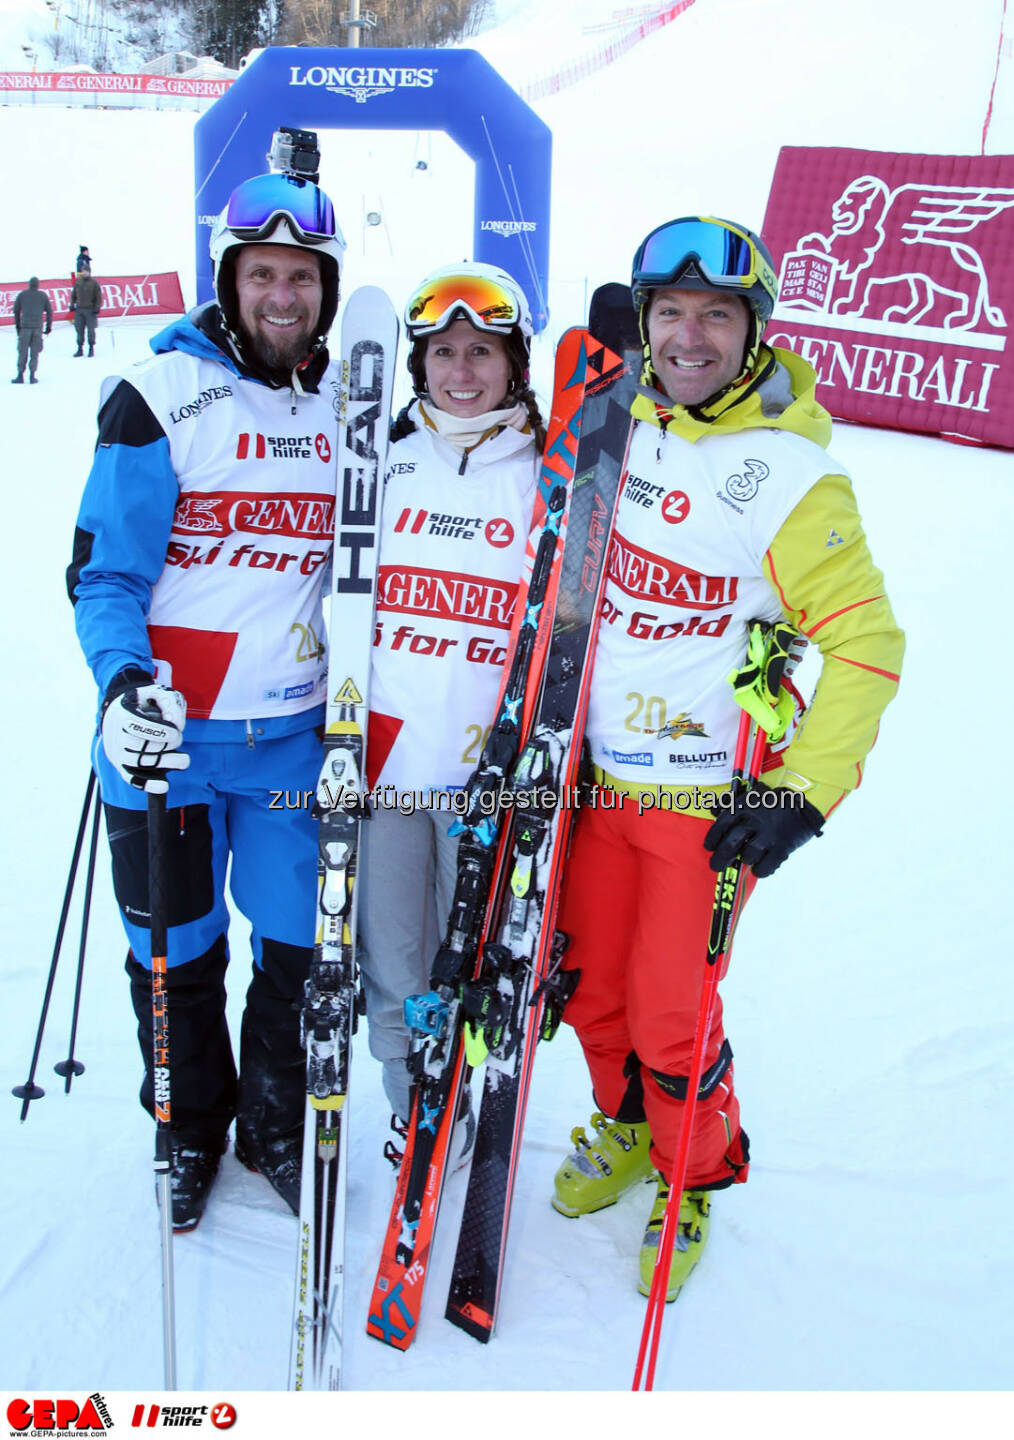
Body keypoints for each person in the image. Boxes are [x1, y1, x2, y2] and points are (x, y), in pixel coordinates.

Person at [550, 216, 905, 1300]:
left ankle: (691, 1169)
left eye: (716, 315)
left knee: (670, 1010)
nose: (689, 336)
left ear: (755, 331)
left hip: (704, 805)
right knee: (583, 992)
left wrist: (802, 793)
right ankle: (625, 1124)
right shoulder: (618, 421)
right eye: (669, 313)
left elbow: (869, 645)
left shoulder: (793, 476)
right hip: (593, 785)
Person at [66, 171, 346, 1231]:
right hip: (168, 746)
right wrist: (123, 682)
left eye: (304, 276)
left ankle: (274, 1124)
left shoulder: (350, 405)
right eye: (263, 273)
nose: (285, 294)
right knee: (173, 958)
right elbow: (105, 574)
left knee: (292, 951)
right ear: (229, 279)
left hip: (290, 744)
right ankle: (188, 1126)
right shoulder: (158, 394)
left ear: (326, 286)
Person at [357, 262, 546, 1165]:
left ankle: (459, 1086)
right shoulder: (383, 465)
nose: (460, 371)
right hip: (386, 764)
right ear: (417, 364)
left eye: (481, 351)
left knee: (466, 955)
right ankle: (409, 1097)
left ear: (514, 363)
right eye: (441, 353)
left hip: (486, 771)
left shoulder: (551, 478)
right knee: (390, 952)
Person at [12, 276, 52, 384]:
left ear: (29, 284)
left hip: (25, 328)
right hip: (37, 328)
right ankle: (32, 376)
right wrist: (48, 327)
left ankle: (20, 375)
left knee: (22, 352)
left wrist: (18, 327)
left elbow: (16, 311)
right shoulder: (42, 296)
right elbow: (49, 312)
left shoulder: (22, 295)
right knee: (35, 353)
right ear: (38, 285)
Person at [70, 264, 102, 357]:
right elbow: (73, 295)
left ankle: (91, 348)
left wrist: (97, 307)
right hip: (79, 310)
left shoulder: (94, 283)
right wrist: (72, 304)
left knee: (91, 331)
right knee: (79, 330)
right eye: (83, 271)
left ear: (89, 272)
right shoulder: (78, 282)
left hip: (90, 310)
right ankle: (80, 349)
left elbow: (98, 297)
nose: (84, 273)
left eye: (85, 271)